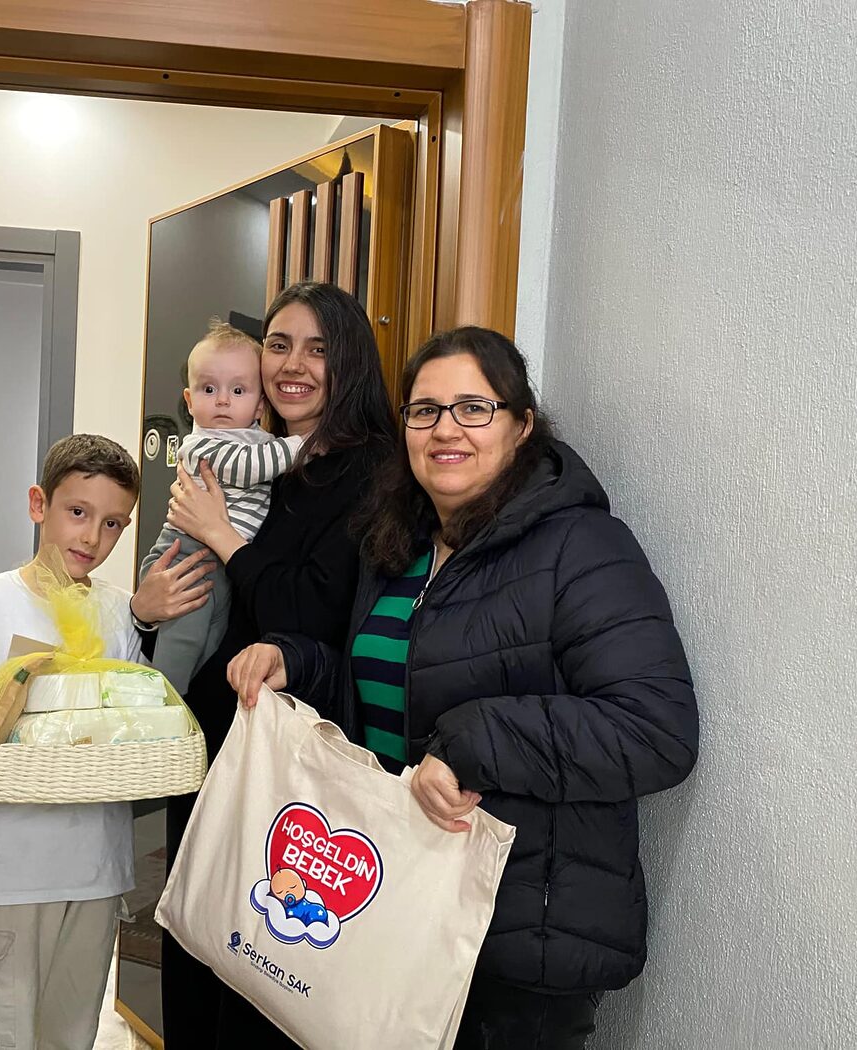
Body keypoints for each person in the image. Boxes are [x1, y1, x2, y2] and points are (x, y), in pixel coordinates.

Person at [227, 327, 699, 1050]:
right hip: (392, 906)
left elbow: (656, 730)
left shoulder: (582, 548)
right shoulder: (398, 545)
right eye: (424, 410)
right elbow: (390, 692)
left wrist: (473, 744)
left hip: (515, 938)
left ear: (522, 425)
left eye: (473, 408)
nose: (446, 429)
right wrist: (296, 661)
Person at [130, 281, 398, 1049]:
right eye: (279, 344)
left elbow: (310, 614)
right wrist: (146, 607)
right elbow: (196, 596)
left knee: (267, 965)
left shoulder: (369, 470)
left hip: (295, 761)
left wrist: (223, 535)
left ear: (350, 360)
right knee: (194, 932)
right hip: (215, 738)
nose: (294, 365)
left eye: (318, 348)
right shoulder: (261, 459)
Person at [0, 434, 145, 1050]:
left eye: (112, 523)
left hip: (98, 867)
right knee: (2, 1035)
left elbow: (127, 728)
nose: (92, 537)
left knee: (70, 1036)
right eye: (78, 512)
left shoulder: (122, 612)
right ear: (38, 504)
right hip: (8, 868)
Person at [139, 319, 305, 692]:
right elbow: (251, 468)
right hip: (188, 555)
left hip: (220, 564)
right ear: (189, 401)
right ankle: (162, 701)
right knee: (185, 637)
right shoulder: (202, 445)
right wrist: (303, 444)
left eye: (239, 390)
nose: (223, 400)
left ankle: (182, 696)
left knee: (211, 644)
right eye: (208, 389)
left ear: (261, 404)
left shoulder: (255, 437)